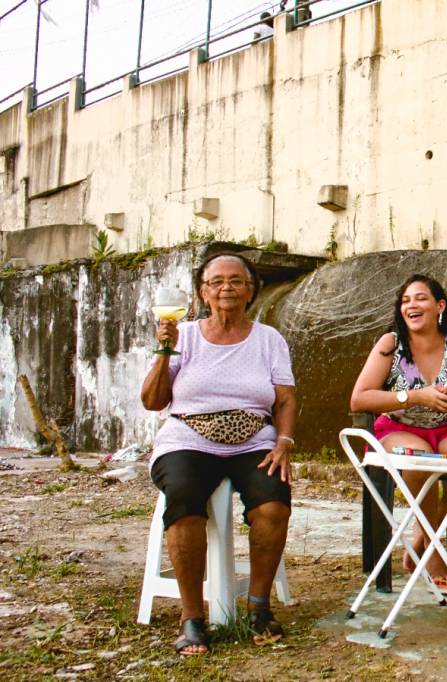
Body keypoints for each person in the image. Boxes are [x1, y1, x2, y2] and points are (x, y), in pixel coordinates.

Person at [141, 252, 296, 656]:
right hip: (189, 438)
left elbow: (285, 399)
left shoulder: (269, 340)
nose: (226, 288)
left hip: (253, 439)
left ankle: (259, 607)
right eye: (216, 282)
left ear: (250, 290)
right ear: (202, 292)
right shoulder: (184, 336)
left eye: (236, 281)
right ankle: (193, 618)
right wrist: (164, 353)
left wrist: (283, 442)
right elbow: (153, 401)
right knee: (185, 497)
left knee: (273, 502)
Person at [350, 274, 447, 603]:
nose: (412, 305)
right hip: (398, 428)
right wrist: (415, 397)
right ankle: (436, 557)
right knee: (421, 459)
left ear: (439, 306)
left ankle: (426, 534)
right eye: (406, 300)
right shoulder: (390, 344)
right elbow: (360, 399)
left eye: (420, 298)